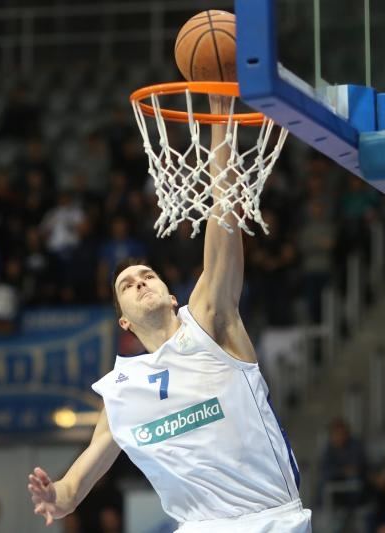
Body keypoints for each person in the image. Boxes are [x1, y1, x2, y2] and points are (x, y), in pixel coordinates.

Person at [27, 96, 312, 532]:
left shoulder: (210, 324)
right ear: (124, 322)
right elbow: (73, 488)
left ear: (172, 296)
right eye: (127, 285)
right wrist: (56, 496)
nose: (140, 282)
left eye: (148, 276)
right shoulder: (121, 391)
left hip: (269, 522)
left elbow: (224, 211)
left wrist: (219, 114)